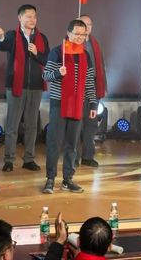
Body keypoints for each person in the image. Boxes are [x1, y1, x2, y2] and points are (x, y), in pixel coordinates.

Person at [42, 19, 97, 194]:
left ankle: (68, 179)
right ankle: (50, 178)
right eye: (76, 34)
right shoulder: (58, 52)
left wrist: (93, 103)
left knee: (72, 144)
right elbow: (45, 76)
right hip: (59, 104)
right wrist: (58, 72)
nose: (80, 37)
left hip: (78, 103)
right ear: (68, 33)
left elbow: (89, 81)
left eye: (83, 34)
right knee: (54, 142)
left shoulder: (85, 55)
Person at [0, 4, 49, 173]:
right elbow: (2, 45)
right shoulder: (12, 35)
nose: (32, 19)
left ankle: (29, 159)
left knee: (32, 125)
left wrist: (37, 53)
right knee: (13, 125)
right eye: (28, 16)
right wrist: (0, 36)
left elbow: (46, 59)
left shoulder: (41, 38)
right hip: (15, 86)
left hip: (36, 86)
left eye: (34, 16)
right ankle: (9, 160)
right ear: (20, 18)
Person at [77, 14, 107, 168]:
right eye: (84, 24)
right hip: (78, 86)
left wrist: (102, 85)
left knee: (91, 122)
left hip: (93, 85)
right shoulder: (72, 43)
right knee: (77, 123)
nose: (87, 27)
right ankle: (74, 156)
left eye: (89, 24)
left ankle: (88, 156)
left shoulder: (95, 43)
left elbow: (101, 66)